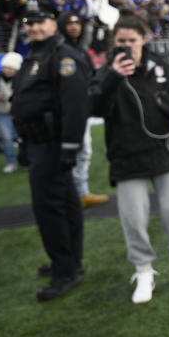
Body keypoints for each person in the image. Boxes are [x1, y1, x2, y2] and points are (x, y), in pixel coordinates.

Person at [89, 15, 169, 304]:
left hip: (164, 150)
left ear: (143, 39)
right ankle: (143, 270)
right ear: (114, 42)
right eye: (122, 41)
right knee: (134, 218)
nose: (128, 46)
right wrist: (114, 77)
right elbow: (94, 107)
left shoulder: (160, 66)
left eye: (133, 40)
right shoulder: (105, 71)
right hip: (126, 155)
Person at [10, 3, 90, 301]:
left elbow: (74, 105)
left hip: (53, 144)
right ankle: (70, 261)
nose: (33, 27)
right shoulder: (35, 53)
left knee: (49, 208)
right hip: (38, 143)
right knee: (67, 203)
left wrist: (71, 146)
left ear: (53, 24)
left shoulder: (63, 56)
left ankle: (64, 271)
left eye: (40, 22)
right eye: (29, 23)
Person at [59, 11, 109, 209]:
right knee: (73, 152)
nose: (74, 27)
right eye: (69, 23)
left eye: (77, 23)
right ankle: (75, 194)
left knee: (83, 152)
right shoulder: (60, 50)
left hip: (81, 110)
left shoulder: (80, 50)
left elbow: (91, 76)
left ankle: (80, 193)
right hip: (67, 112)